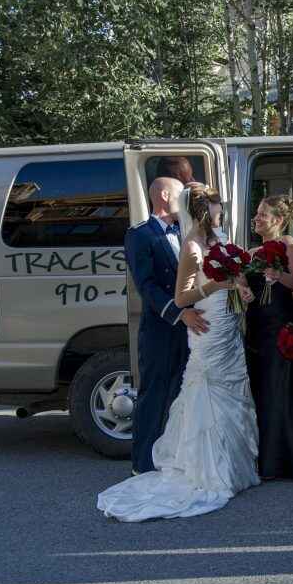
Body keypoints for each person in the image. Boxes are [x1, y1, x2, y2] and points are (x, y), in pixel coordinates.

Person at [97, 185, 260, 521]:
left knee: (214, 392)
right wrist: (187, 306)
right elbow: (151, 287)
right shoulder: (149, 236)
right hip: (180, 323)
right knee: (162, 392)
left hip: (220, 323)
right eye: (217, 203)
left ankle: (229, 463)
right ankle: (144, 464)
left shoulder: (218, 235)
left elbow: (231, 276)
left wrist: (240, 289)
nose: (221, 207)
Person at [120, 177, 209, 475]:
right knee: (154, 394)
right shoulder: (140, 235)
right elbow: (146, 285)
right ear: (163, 194)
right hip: (160, 329)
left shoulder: (185, 231)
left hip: (189, 329)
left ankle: (172, 457)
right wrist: (179, 313)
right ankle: (143, 464)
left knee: (180, 393)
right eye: (179, 193)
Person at [245, 195, 293, 480]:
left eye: (262, 214)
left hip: (279, 322)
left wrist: (276, 273)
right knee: (260, 389)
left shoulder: (289, 244)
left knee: (278, 390)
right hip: (256, 323)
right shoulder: (252, 250)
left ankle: (283, 461)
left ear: (278, 220)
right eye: (256, 214)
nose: (256, 219)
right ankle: (262, 456)